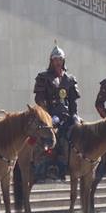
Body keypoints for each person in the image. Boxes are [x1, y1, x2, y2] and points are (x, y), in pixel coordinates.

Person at [34, 43, 81, 178]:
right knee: (52, 137)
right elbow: (40, 100)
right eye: (55, 60)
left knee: (81, 133)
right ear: (51, 61)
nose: (58, 62)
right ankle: (48, 165)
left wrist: (75, 115)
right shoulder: (43, 77)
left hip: (67, 115)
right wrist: (48, 116)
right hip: (50, 116)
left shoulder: (70, 79)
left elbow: (72, 101)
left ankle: (80, 163)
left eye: (60, 59)